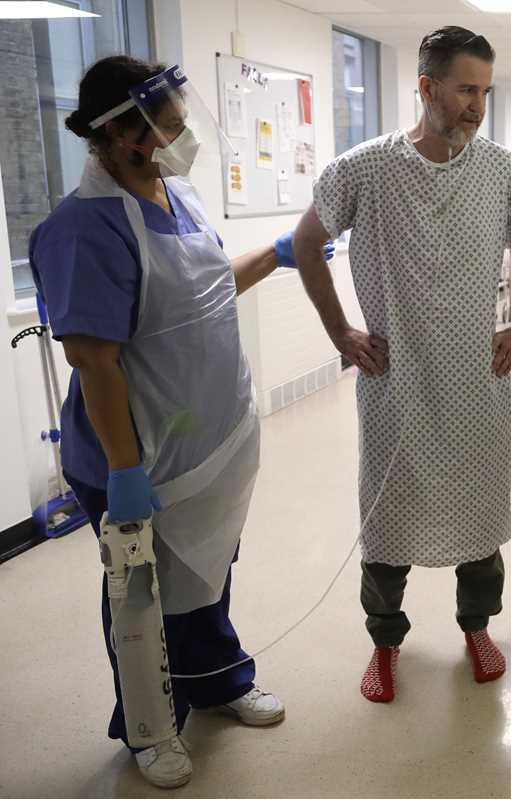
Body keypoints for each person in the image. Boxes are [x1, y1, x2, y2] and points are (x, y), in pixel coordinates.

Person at [29, 56, 331, 788]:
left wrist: (275, 256)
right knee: (143, 592)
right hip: (137, 453)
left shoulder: (179, 195)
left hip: (207, 440)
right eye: (168, 125)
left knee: (206, 570)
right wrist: (126, 470)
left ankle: (220, 681)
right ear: (124, 135)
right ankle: (150, 724)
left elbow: (206, 293)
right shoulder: (83, 229)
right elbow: (94, 361)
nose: (182, 134)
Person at [291, 26, 511, 702]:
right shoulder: (365, 168)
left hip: (477, 381)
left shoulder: (500, 170)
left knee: (480, 512)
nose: (477, 106)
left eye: (485, 92)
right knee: (388, 519)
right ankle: (385, 640)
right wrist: (339, 330)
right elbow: (306, 242)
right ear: (427, 87)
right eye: (465, 90)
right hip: (394, 381)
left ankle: (477, 626)